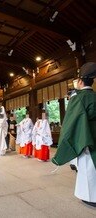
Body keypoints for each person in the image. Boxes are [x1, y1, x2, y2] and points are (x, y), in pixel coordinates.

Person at [52, 62, 96, 207]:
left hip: (86, 137)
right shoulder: (93, 96)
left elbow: (70, 122)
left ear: (80, 81)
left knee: (88, 167)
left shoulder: (77, 98)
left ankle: (91, 197)